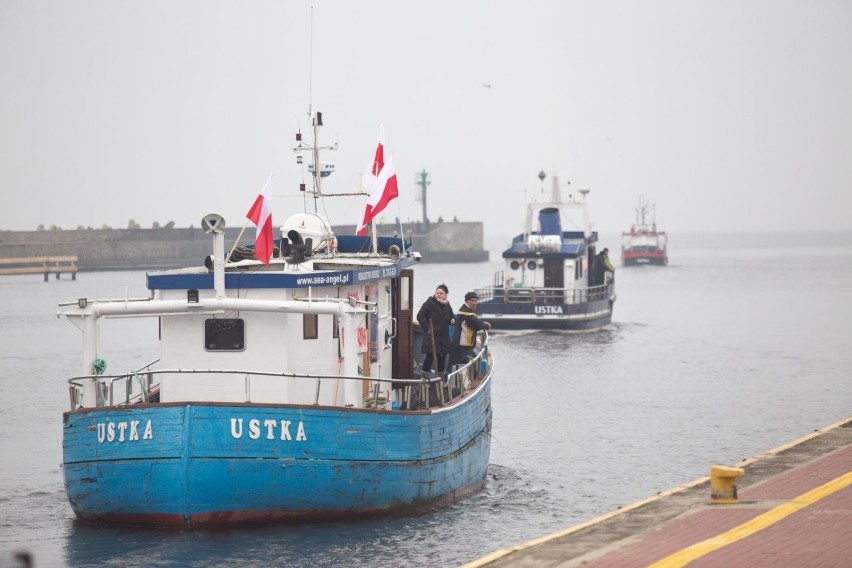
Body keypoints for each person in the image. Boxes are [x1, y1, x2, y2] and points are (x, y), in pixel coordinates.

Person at [416, 284, 456, 374]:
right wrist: (427, 328)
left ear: (445, 295)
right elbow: (420, 316)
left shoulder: (447, 304)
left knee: (442, 359)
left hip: (443, 337)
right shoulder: (430, 302)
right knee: (429, 358)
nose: (438, 294)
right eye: (437, 292)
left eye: (441, 293)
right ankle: (424, 380)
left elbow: (451, 316)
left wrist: (452, 320)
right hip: (432, 336)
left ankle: (439, 382)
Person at [452, 291, 491, 366]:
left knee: (457, 363)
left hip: (461, 344)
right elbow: (475, 324)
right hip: (463, 345)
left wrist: (483, 323)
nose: (474, 303)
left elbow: (474, 320)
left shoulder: (465, 310)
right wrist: (486, 325)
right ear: (466, 301)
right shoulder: (466, 313)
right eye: (472, 301)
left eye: (476, 301)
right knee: (471, 362)